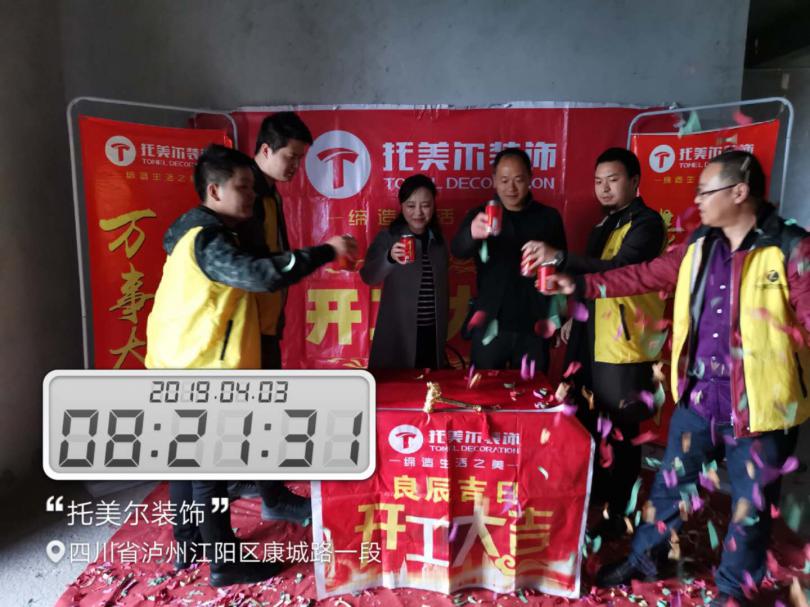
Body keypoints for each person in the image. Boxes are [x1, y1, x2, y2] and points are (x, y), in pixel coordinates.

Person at [548, 150, 809, 606]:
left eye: (706, 191)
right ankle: (644, 559)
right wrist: (580, 285)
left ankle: (733, 590)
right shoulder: (698, 244)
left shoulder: (790, 247)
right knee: (671, 487)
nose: (698, 200)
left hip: (761, 404)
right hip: (699, 395)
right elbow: (644, 276)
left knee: (749, 506)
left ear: (739, 192)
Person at [145, 144, 354, 587]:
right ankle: (224, 561)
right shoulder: (211, 240)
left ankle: (189, 544)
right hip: (201, 370)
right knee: (210, 474)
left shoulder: (194, 231)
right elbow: (261, 275)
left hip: (177, 360)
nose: (251, 196)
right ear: (214, 190)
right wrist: (326, 251)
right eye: (243, 187)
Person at [523, 148, 666, 540]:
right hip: (590, 337)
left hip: (623, 344)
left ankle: (621, 512)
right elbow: (591, 284)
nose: (604, 188)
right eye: (599, 181)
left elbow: (619, 272)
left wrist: (560, 257)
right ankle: (595, 501)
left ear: (635, 182)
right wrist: (573, 315)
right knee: (589, 421)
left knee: (622, 429)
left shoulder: (647, 224)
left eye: (613, 180)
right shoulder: (604, 224)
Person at [234, 111, 336, 523]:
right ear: (264, 150)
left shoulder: (268, 191)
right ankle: (272, 497)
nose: (296, 167)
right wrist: (326, 252)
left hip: (263, 321)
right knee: (262, 412)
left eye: (300, 159)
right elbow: (264, 269)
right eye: (291, 158)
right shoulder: (248, 197)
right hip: (246, 327)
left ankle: (252, 482)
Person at [451, 147, 566, 372]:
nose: (511, 188)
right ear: (494, 180)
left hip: (533, 323)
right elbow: (458, 250)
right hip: (490, 321)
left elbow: (563, 266)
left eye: (518, 180)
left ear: (530, 179)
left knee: (533, 389)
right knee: (484, 387)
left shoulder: (548, 217)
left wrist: (559, 317)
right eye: (504, 180)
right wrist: (471, 234)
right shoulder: (481, 215)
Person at [361, 174, 449, 368]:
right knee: (398, 382)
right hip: (399, 331)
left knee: (430, 382)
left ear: (434, 206)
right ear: (401, 206)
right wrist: (389, 257)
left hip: (432, 332)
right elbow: (368, 276)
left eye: (425, 205)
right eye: (410, 205)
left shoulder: (439, 241)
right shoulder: (388, 237)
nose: (418, 212)